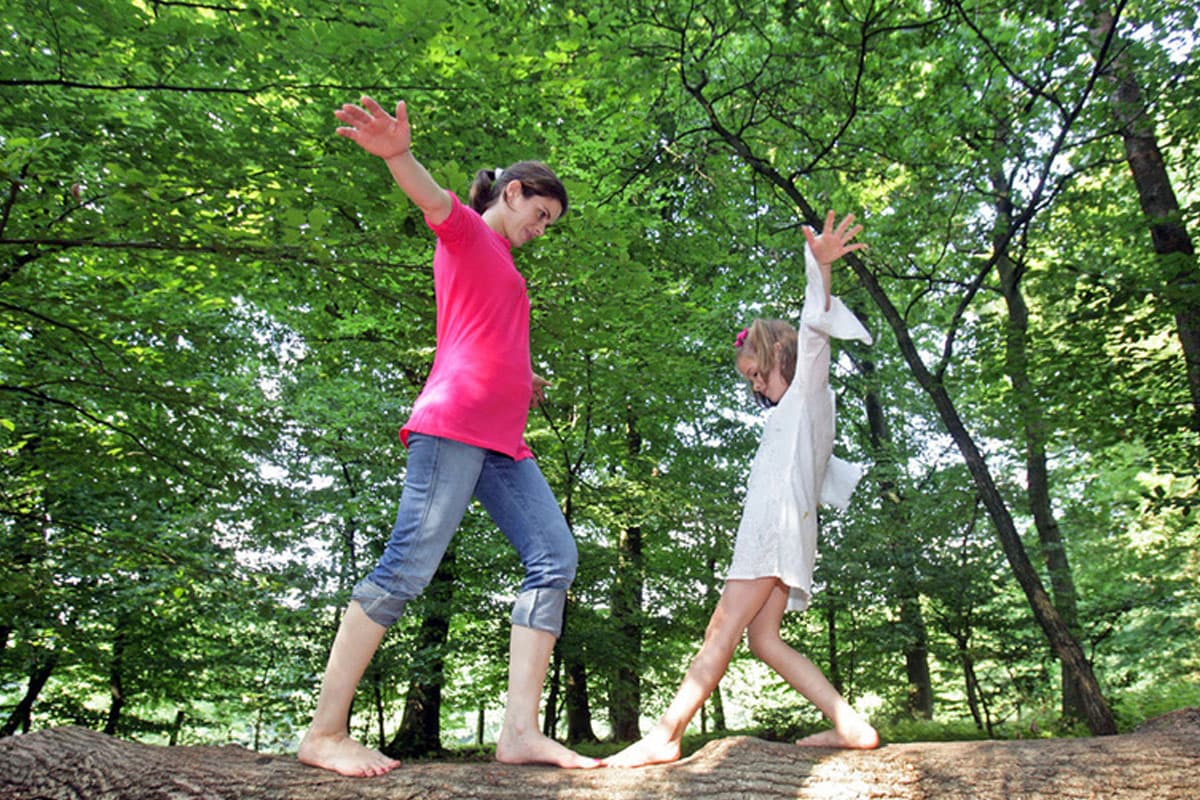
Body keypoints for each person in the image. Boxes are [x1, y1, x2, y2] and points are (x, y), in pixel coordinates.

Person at [297, 95, 598, 776]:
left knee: (554, 556)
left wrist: (525, 378)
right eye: (540, 215)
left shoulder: (506, 267)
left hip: (502, 440)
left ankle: (520, 732)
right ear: (514, 193)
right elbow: (431, 198)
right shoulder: (468, 232)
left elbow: (482, 333)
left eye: (549, 224)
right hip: (456, 425)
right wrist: (397, 153)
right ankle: (323, 732)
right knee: (407, 565)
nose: (541, 230)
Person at [605, 211, 881, 768]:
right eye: (750, 380)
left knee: (723, 627)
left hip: (772, 530)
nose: (756, 385)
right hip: (786, 530)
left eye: (758, 373)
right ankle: (850, 724)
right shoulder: (794, 413)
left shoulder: (808, 386)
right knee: (764, 641)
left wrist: (820, 268)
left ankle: (666, 732)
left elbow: (813, 324)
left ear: (782, 354)